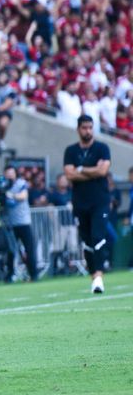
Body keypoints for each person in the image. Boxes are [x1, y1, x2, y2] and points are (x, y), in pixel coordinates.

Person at [63, 115, 112, 293]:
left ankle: (99, 276)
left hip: (100, 201)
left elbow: (103, 171)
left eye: (90, 127)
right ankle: (94, 276)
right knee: (87, 241)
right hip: (80, 202)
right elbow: (68, 174)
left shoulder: (102, 148)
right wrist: (92, 170)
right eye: (84, 128)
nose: (88, 131)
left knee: (98, 236)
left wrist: (81, 169)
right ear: (78, 129)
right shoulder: (71, 151)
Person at [1, 167, 38, 282]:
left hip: (23, 221)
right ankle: (10, 274)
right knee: (11, 251)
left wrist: (10, 195)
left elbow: (23, 196)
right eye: (7, 173)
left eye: (11, 173)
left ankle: (33, 274)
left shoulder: (20, 183)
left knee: (29, 249)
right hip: (11, 223)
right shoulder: (3, 185)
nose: (10, 175)